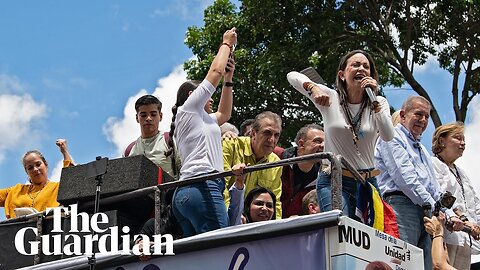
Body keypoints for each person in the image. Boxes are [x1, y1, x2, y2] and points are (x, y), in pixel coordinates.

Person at [287, 50, 395, 219]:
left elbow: (388, 135)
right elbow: (292, 76)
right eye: (355, 65)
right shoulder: (331, 98)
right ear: (342, 75)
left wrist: (375, 102)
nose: (361, 69)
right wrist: (313, 88)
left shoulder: (379, 103)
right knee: (341, 228)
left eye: (366, 67)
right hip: (334, 179)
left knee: (366, 239)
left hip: (366, 183)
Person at [374, 96, 463, 270]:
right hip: (401, 206)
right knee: (402, 263)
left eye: (427, 116)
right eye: (418, 114)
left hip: (425, 210)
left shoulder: (421, 148)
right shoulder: (391, 137)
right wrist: (434, 206)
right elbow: (406, 180)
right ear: (403, 115)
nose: (423, 120)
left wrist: (449, 213)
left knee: (425, 266)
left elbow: (434, 187)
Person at [168, 27, 237, 237]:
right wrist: (226, 43)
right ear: (193, 95)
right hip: (203, 186)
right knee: (220, 248)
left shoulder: (204, 119)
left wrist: (229, 78)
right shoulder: (188, 109)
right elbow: (214, 73)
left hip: (186, 193)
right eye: (207, 94)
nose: (212, 97)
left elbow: (224, 114)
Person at [431, 122, 480, 269]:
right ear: (441, 140)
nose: (463, 143)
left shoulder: (461, 173)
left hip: (466, 238)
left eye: (464, 139)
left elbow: (474, 203)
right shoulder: (433, 164)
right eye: (458, 138)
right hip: (446, 235)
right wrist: (464, 221)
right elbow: (440, 197)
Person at [222, 111, 283, 219]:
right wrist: (233, 216)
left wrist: (276, 229)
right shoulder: (231, 145)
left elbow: (275, 201)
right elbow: (221, 187)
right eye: (267, 133)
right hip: (227, 216)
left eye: (276, 135)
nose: (272, 140)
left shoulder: (276, 162)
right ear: (253, 133)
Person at [0, 140, 74, 219]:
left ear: (45, 165)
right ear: (27, 172)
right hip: (17, 230)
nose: (35, 169)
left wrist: (64, 151)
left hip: (48, 229)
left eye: (38, 164)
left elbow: (70, 177)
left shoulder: (57, 188)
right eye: (30, 168)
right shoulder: (15, 191)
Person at [273, 123, 324, 218]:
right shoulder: (276, 157)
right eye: (317, 141)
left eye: (325, 142)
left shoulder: (323, 176)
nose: (323, 145)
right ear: (301, 144)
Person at [123, 94, 175, 179]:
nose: (148, 118)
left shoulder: (170, 140)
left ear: (160, 116)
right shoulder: (129, 151)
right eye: (143, 115)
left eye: (153, 114)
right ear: (137, 118)